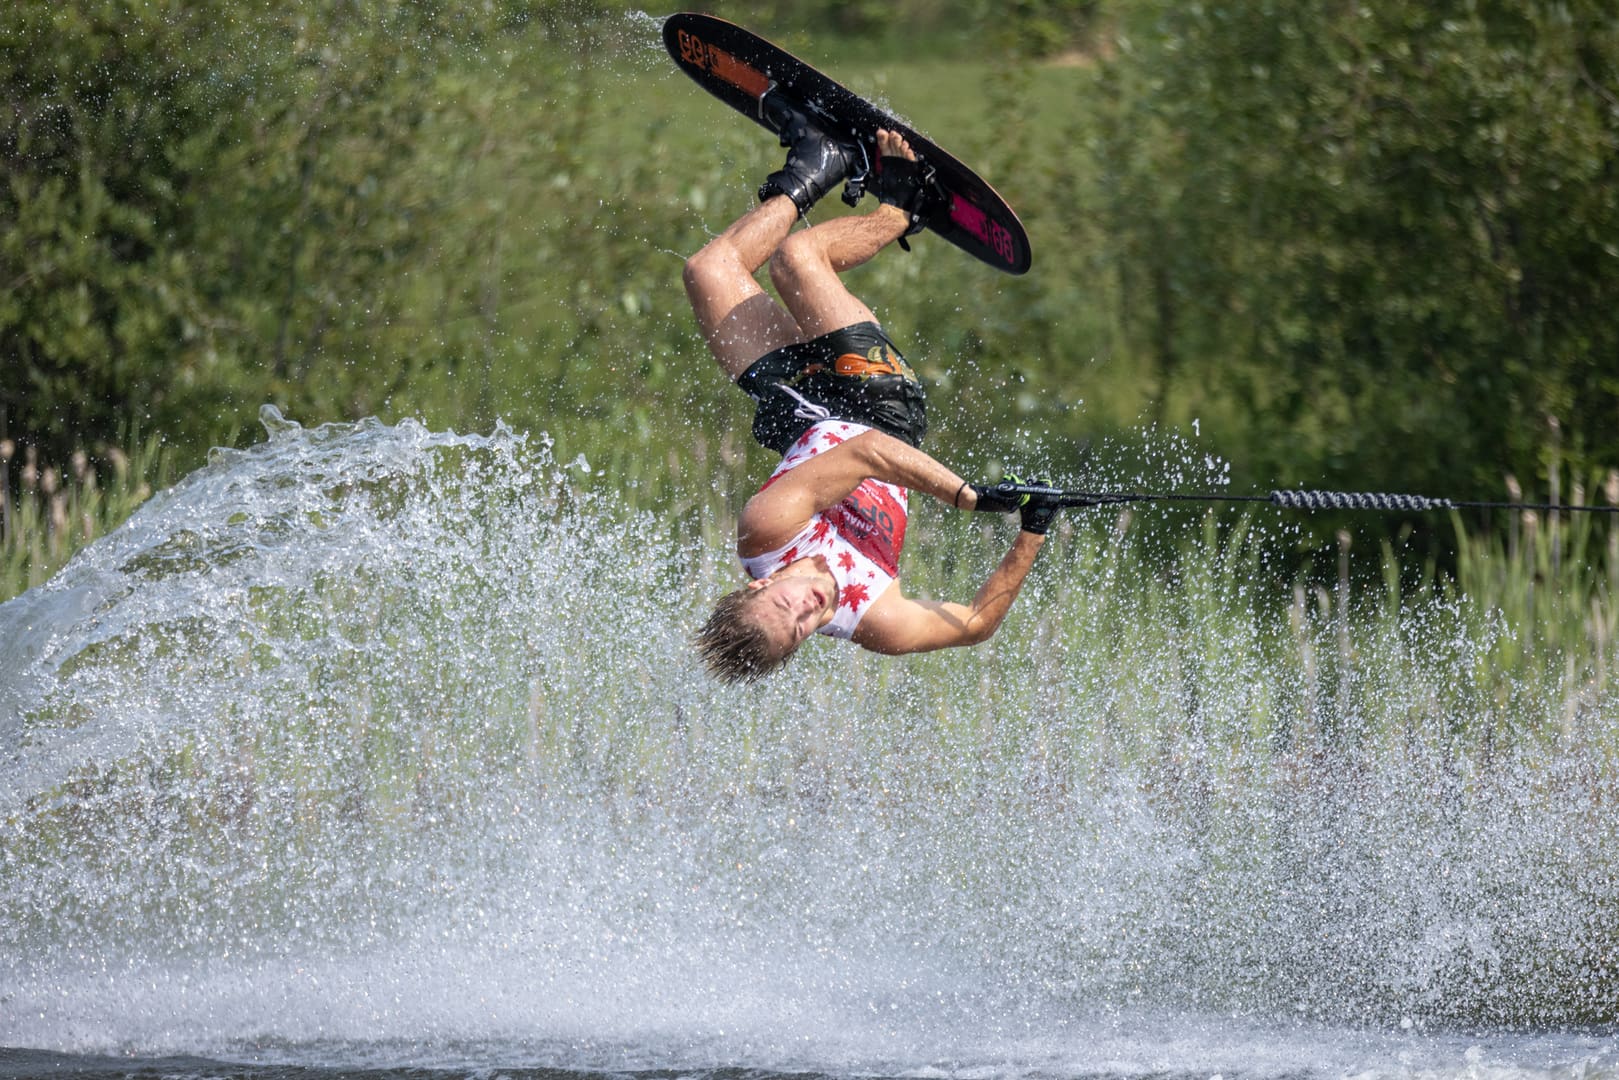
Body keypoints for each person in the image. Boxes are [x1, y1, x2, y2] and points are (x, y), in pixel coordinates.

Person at [685, 97, 1061, 683]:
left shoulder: (766, 530)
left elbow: (861, 458)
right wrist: (1033, 529)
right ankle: (904, 204)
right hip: (880, 405)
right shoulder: (875, 619)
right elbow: (973, 625)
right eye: (802, 629)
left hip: (805, 412)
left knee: (707, 270)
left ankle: (819, 159)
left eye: (788, 606)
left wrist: (963, 497)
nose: (810, 609)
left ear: (762, 581)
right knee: (797, 260)